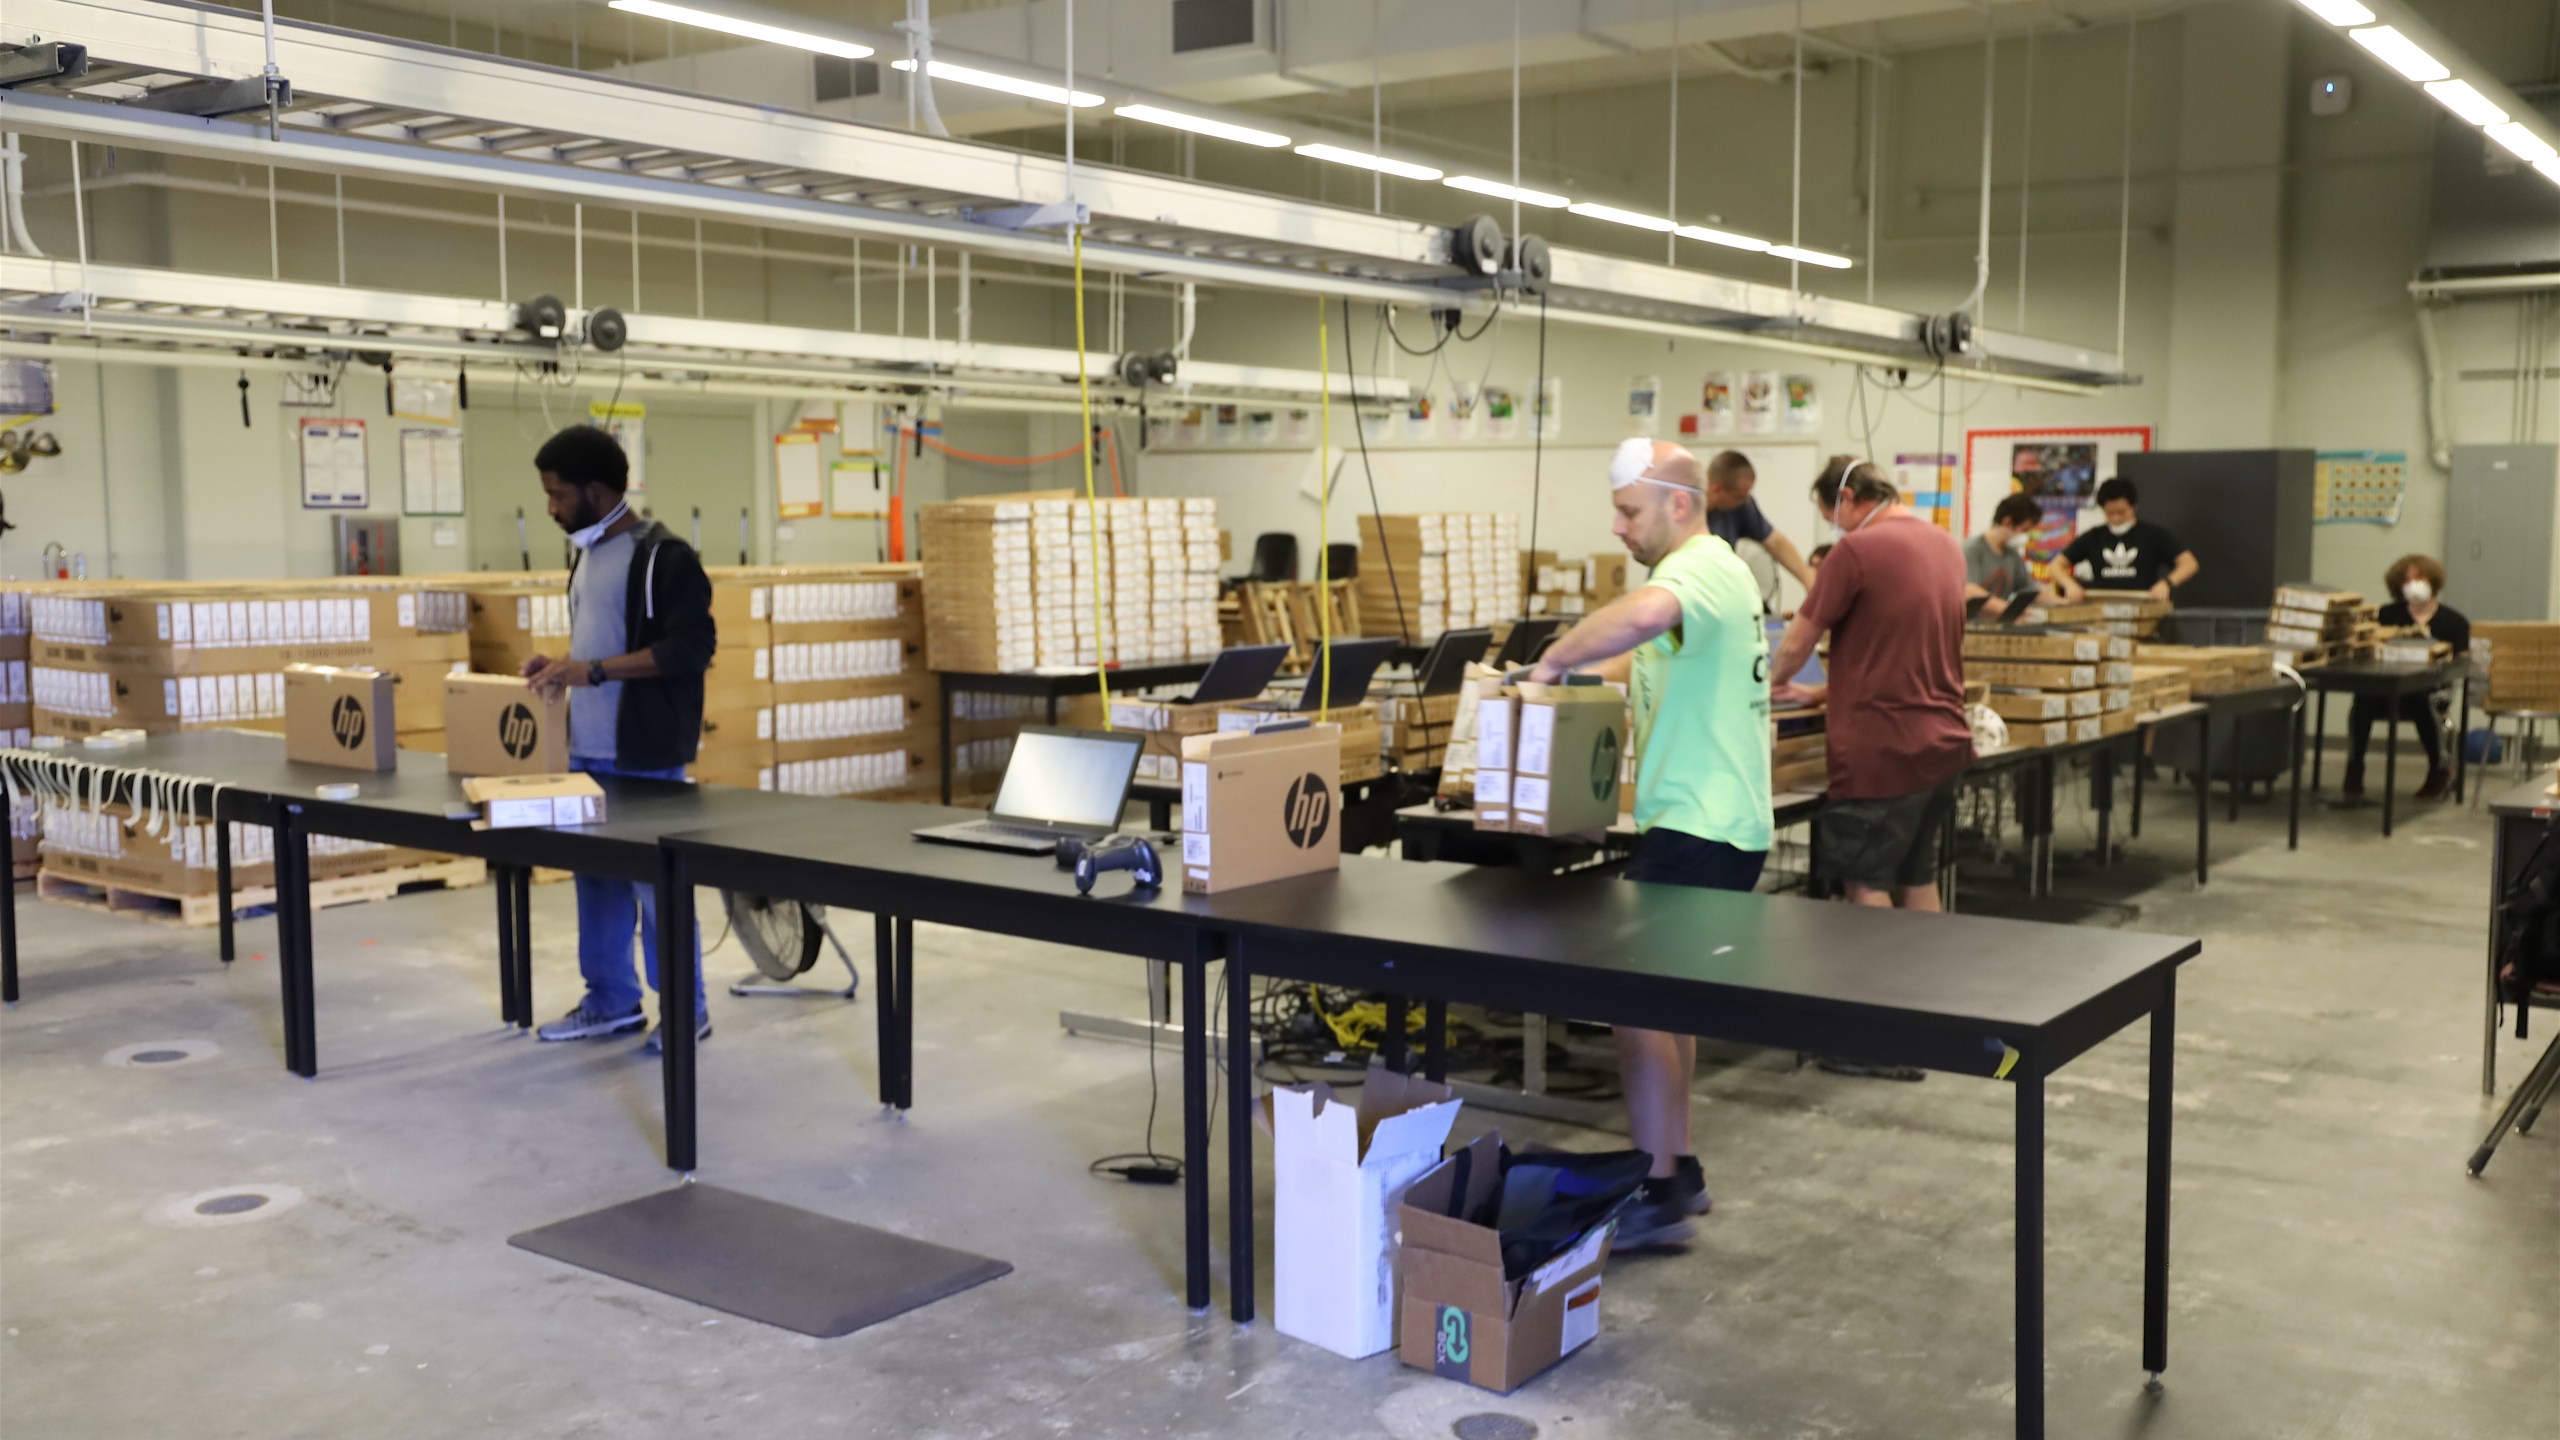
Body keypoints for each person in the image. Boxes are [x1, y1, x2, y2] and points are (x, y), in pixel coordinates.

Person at [1527, 437, 1772, 1248]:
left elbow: (1642, 615)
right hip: (1710, 823)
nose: (1618, 528)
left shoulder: (1694, 569)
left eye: (1629, 512)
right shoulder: (1716, 576)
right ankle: (1681, 1168)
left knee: (1628, 1004)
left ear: (1678, 502)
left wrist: (1554, 658)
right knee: (1669, 1006)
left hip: (1702, 826)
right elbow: (1644, 655)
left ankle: (1656, 1189)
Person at [524, 426, 721, 1054]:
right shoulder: (585, 555)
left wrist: (595, 670)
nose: (551, 507)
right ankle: (611, 1002)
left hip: (643, 756)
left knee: (657, 891)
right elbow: (603, 643)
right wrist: (563, 664)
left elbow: (692, 649)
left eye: (558, 495)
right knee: (598, 881)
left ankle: (687, 1012)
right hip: (585, 749)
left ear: (597, 489)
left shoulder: (666, 557)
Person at [1769, 455, 1969, 930]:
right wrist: (1820, 695)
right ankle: (1926, 992)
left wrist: (1767, 685)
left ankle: (1879, 998)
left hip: (1883, 752)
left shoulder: (1856, 552)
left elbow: (1797, 640)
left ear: (1846, 498)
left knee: (1865, 883)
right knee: (1915, 875)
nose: (1834, 529)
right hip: (1941, 744)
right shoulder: (1946, 545)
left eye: (1829, 516)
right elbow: (1901, 648)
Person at [2346, 554, 2470, 802]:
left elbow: (2461, 663)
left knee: (2425, 703)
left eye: (2419, 578)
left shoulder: (2454, 621)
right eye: (2407, 579)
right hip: (2388, 689)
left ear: (2432, 581)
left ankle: (2438, 770)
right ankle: (2354, 767)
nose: (2413, 584)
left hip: (2429, 692)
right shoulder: (2385, 615)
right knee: (2363, 701)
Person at [2051, 477, 2196, 603]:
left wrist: (2167, 583)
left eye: (2121, 512)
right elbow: (2055, 565)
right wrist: (2069, 584)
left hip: (2145, 605)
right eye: (2109, 513)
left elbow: (2189, 563)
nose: (2116, 518)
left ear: (2134, 507)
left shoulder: (2153, 535)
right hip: (2102, 607)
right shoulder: (2093, 537)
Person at [1704, 450, 1820, 602]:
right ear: (1716, 489)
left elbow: (1775, 541)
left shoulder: (1742, 505)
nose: (1745, 501)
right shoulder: (1686, 511)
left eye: (1748, 494)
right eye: (1739, 496)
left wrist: (1806, 576)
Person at [1965, 494, 2045, 601]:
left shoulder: (2013, 556)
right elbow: (1969, 590)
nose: (2026, 536)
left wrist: (2064, 603)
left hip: (2003, 617)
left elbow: (2031, 590)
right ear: (2007, 522)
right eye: (2024, 530)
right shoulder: (1972, 550)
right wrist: (2005, 610)